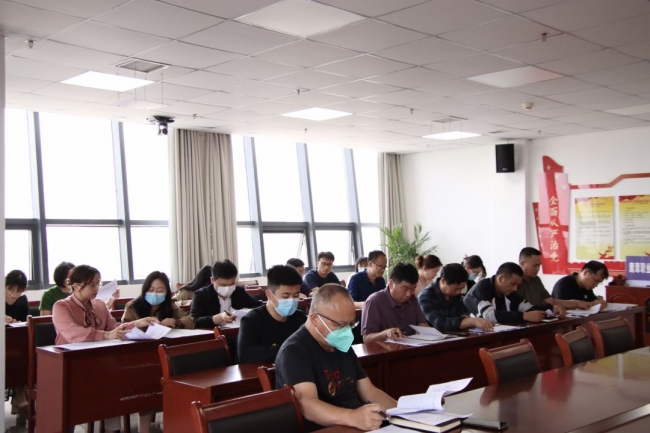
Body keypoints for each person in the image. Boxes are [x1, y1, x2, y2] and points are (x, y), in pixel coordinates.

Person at [275, 284, 397, 432]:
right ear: (315, 319)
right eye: (340, 325)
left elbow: (369, 391)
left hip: (356, 426)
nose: (345, 331)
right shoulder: (294, 351)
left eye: (350, 324)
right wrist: (353, 417)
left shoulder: (340, 344)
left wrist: (403, 413)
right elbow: (307, 405)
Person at [52, 265, 156, 433]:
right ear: (76, 286)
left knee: (115, 383)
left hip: (98, 362)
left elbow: (114, 328)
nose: (97, 288)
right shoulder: (61, 306)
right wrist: (106, 335)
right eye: (92, 284)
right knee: (77, 398)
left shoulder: (99, 305)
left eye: (98, 283)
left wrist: (136, 324)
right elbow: (72, 333)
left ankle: (112, 429)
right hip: (70, 365)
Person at [121, 271, 194, 433]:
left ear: (166, 292)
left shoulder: (170, 306)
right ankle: (144, 429)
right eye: (151, 289)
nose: (155, 294)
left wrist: (175, 322)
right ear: (145, 289)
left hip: (166, 354)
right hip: (139, 357)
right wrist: (144, 324)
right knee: (147, 381)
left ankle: (172, 424)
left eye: (160, 290)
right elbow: (124, 329)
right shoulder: (132, 306)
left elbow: (190, 320)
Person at [238, 265, 306, 363]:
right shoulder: (251, 320)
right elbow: (245, 354)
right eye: (285, 296)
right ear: (269, 295)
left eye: (296, 295)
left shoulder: (300, 318)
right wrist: (288, 350)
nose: (291, 301)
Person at [464, 262, 564, 324]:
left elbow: (527, 308)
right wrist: (524, 316)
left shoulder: (508, 291)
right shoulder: (481, 289)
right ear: (501, 279)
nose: (515, 289)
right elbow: (489, 316)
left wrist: (551, 309)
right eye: (513, 284)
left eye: (517, 285)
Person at [361, 263, 429, 343]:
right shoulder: (374, 302)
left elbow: (422, 323)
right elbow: (367, 339)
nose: (409, 294)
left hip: (412, 347)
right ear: (391, 284)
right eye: (405, 288)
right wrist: (385, 333)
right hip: (385, 349)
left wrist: (424, 329)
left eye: (413, 288)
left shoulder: (412, 299)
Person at [418, 263, 493, 332]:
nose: (458, 292)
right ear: (443, 281)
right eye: (456, 288)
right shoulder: (426, 296)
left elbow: (462, 314)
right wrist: (471, 321)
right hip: (434, 339)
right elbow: (439, 323)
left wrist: (473, 320)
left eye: (461, 289)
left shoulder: (454, 294)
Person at [190, 259, 261, 329]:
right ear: (212, 280)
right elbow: (195, 320)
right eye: (223, 285)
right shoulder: (201, 295)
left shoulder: (239, 292)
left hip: (237, 331)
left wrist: (246, 311)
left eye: (232, 284)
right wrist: (220, 317)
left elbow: (258, 306)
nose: (228, 288)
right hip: (212, 333)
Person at [518, 247, 590, 310]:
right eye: (535, 265)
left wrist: (576, 303)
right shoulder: (516, 282)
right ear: (522, 264)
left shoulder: (536, 280)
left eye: (539, 265)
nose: (538, 269)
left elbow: (551, 301)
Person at [5, 270, 29, 423]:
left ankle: (19, 395)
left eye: (19, 291)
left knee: (24, 355)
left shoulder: (23, 300)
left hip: (15, 340)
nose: (14, 294)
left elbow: (24, 324)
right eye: (11, 290)